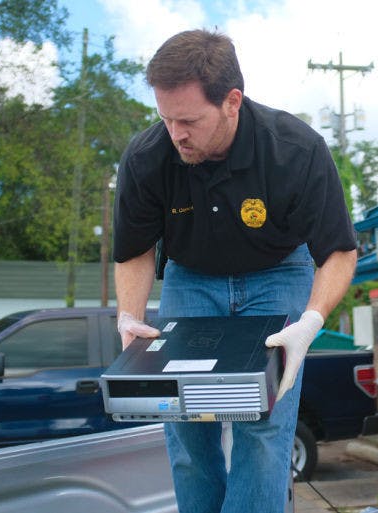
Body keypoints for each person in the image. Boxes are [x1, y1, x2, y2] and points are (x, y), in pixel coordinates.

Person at [112, 29, 357, 513]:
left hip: (278, 273)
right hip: (190, 277)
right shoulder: (148, 157)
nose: (175, 133)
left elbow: (338, 253)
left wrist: (309, 323)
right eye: (165, 119)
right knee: (184, 422)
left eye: (187, 120)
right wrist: (128, 316)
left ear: (231, 102)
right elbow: (135, 250)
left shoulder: (295, 150)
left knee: (264, 423)